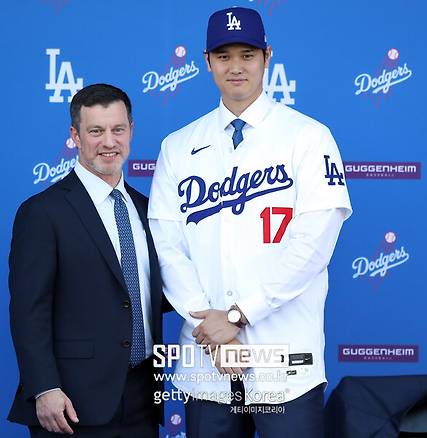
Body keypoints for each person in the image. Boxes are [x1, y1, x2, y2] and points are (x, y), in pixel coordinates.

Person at [148, 6, 352, 438]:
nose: (236, 66)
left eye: (247, 54)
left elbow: (313, 244)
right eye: (224, 56)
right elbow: (166, 246)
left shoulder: (309, 137)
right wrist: (212, 329)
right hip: (209, 360)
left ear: (267, 56)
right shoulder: (178, 146)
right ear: (207, 61)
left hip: (285, 360)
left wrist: (239, 316)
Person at [8, 83, 165, 437]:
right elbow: (28, 311)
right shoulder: (42, 212)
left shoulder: (148, 209)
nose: (109, 142)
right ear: (75, 136)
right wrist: (44, 388)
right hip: (72, 405)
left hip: (144, 397)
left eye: (117, 129)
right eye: (96, 131)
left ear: (131, 131)